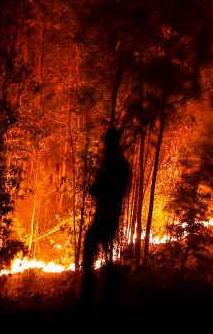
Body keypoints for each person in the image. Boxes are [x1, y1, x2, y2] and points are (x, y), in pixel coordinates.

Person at [81, 127, 131, 307]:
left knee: (93, 251)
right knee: (104, 254)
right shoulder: (115, 165)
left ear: (112, 143)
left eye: (107, 143)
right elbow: (99, 188)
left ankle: (94, 296)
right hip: (108, 214)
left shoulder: (115, 166)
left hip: (108, 215)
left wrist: (100, 186)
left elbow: (112, 190)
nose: (105, 147)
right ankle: (106, 295)